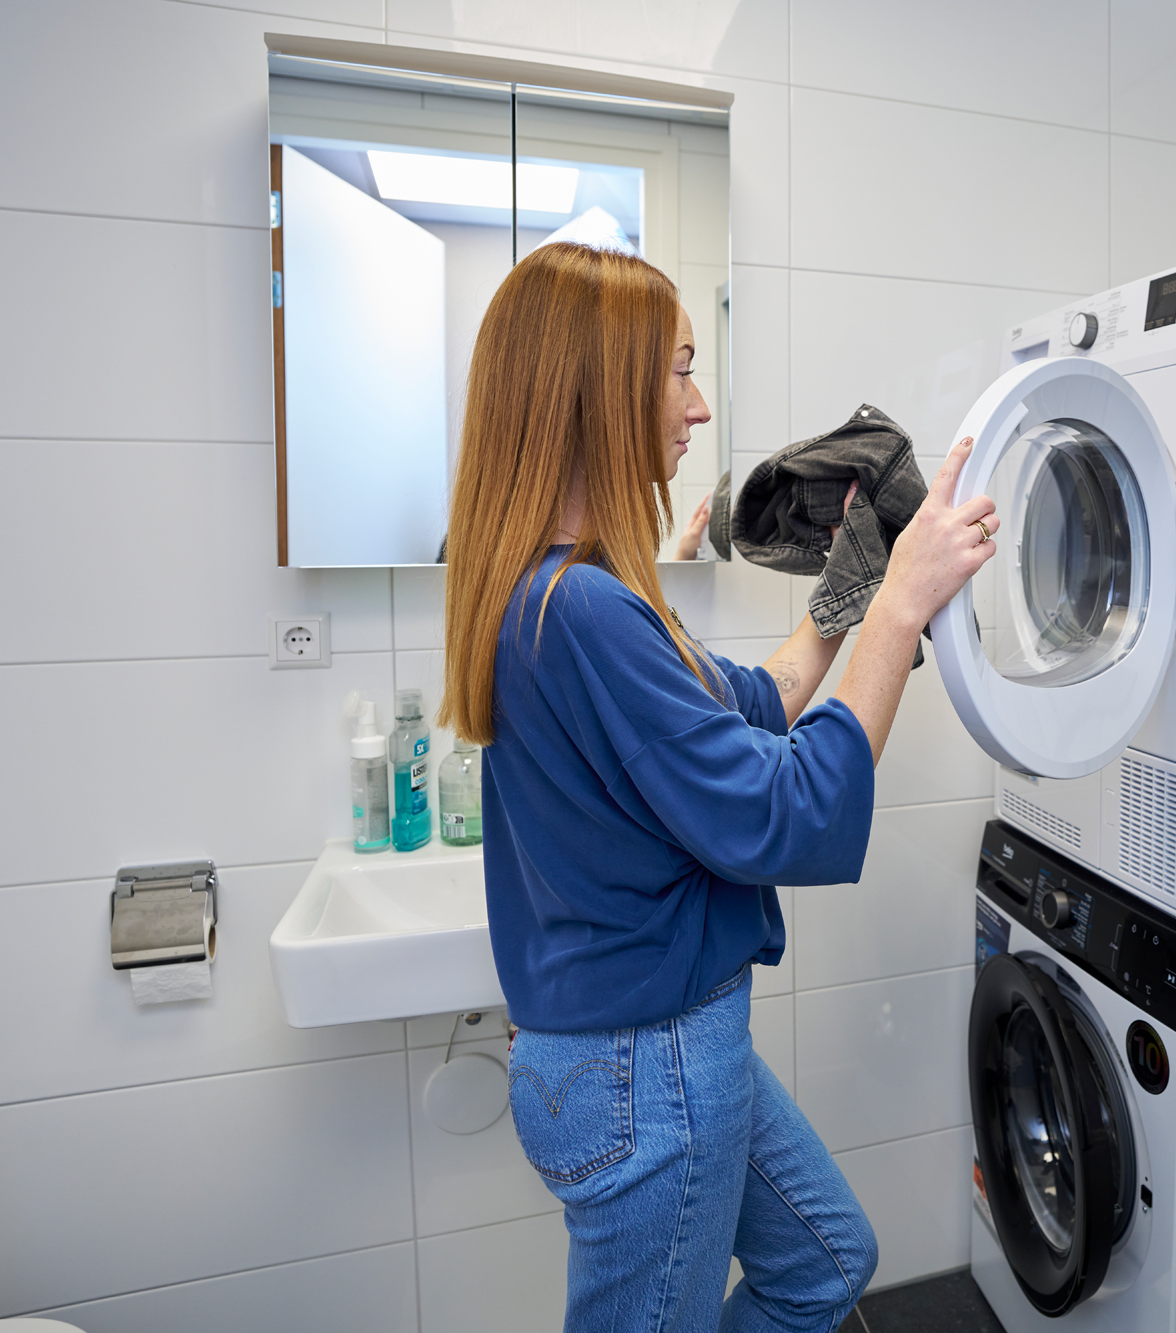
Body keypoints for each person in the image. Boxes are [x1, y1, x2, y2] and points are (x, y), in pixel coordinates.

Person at [437, 241, 998, 1332]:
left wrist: (854, 583)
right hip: (646, 1077)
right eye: (678, 370)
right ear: (598, 392)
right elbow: (784, 816)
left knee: (827, 1258)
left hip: (641, 1053)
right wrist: (900, 610)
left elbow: (756, 702)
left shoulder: (557, 592)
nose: (697, 409)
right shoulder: (583, 611)